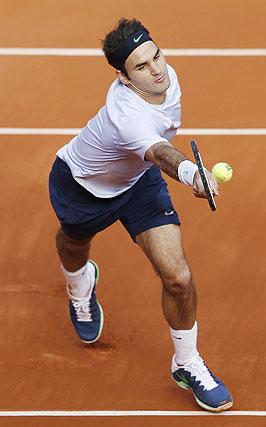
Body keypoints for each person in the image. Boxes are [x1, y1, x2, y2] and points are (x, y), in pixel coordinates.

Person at [48, 17, 233, 412]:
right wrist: (190, 173)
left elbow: (155, 150)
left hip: (139, 184)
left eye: (157, 56)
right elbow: (160, 151)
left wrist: (184, 171)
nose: (157, 70)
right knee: (74, 244)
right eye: (142, 67)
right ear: (124, 77)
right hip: (82, 185)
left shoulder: (165, 75)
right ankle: (80, 283)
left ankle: (186, 362)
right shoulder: (126, 114)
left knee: (179, 278)